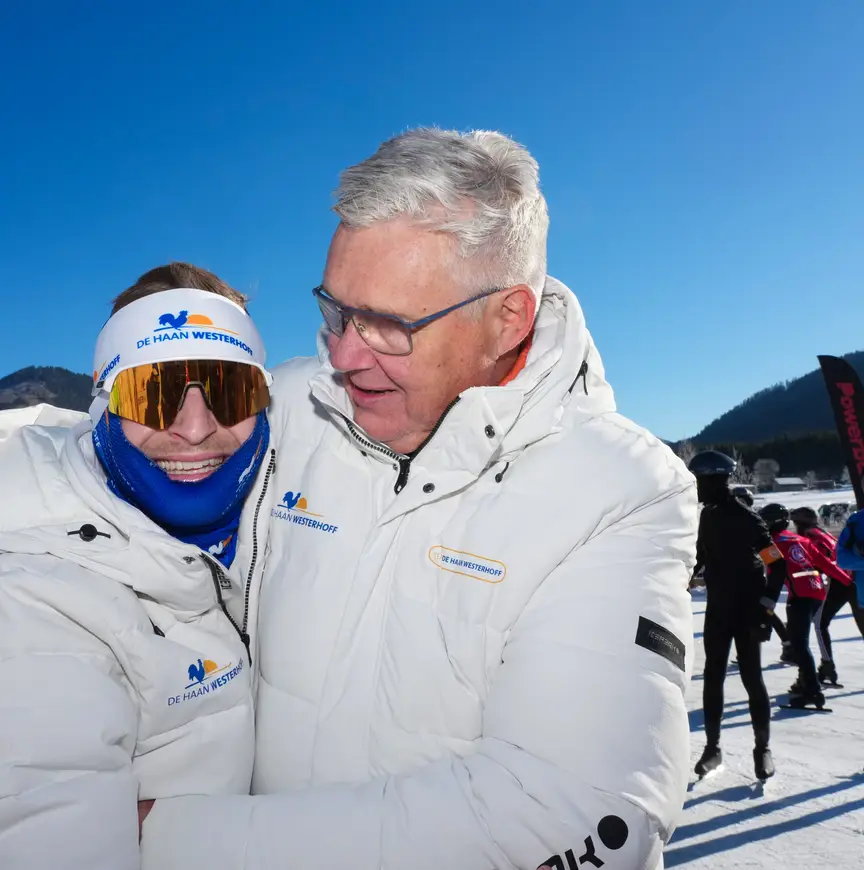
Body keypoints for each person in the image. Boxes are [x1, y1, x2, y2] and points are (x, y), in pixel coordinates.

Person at [140, 128, 698, 870]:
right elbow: (86, 470)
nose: (342, 353)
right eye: (336, 310)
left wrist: (166, 837)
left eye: (389, 324)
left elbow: (579, 816)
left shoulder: (620, 492)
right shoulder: (296, 404)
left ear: (508, 319)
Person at [0, 264, 275, 869]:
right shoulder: (30, 593)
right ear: (101, 405)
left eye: (229, 392)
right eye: (153, 396)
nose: (195, 431)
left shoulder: (277, 507)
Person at [688, 450, 784, 781]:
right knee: (712, 678)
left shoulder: (748, 519)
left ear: (713, 480)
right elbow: (699, 557)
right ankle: (712, 749)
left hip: (747, 613)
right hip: (718, 611)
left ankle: (762, 750)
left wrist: (767, 606)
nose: (695, 489)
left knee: (751, 678)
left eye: (698, 482)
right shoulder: (707, 517)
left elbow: (778, 563)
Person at [757, 504, 848, 708]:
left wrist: (766, 600)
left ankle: (812, 691)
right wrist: (848, 581)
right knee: (802, 643)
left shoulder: (771, 544)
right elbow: (824, 563)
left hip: (799, 597)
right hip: (818, 593)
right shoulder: (801, 540)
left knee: (799, 646)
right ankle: (805, 683)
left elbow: (774, 575)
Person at [791, 505, 862, 686]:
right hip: (852, 578)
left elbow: (820, 561)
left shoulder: (808, 536)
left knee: (819, 623)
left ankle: (827, 665)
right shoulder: (822, 532)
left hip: (838, 581)